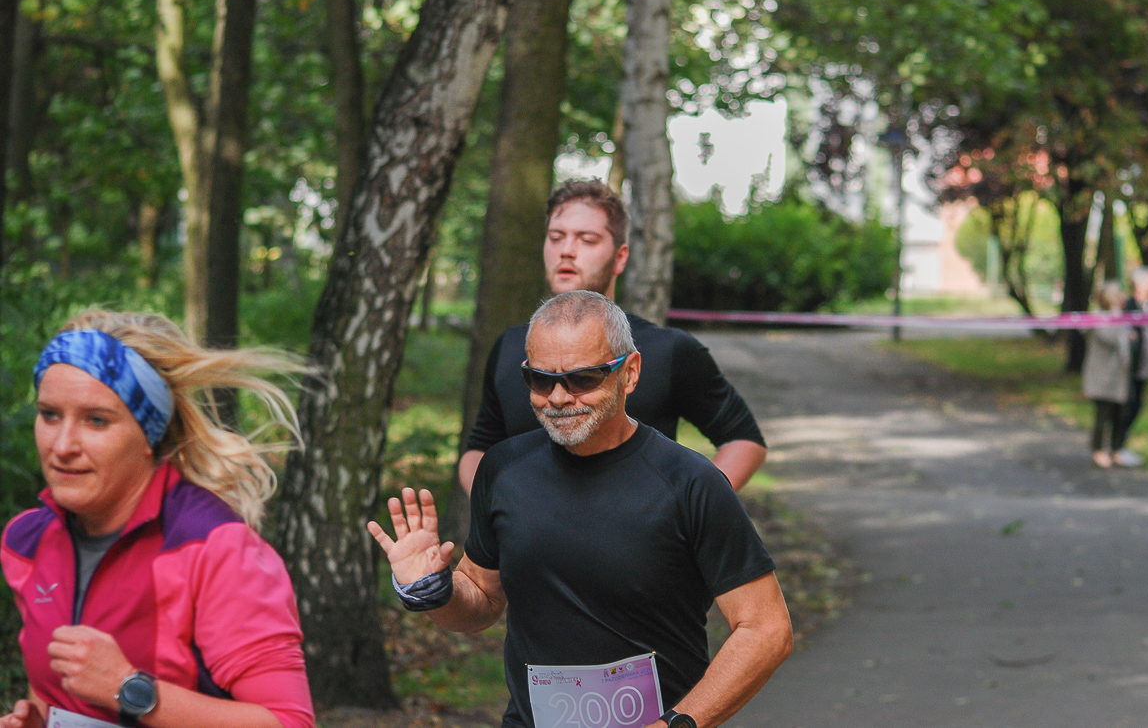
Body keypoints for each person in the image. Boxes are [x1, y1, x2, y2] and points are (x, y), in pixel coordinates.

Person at [370, 291, 793, 728]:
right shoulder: (504, 470)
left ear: (629, 373)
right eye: (540, 379)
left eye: (583, 379)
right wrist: (431, 590)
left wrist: (675, 724)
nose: (557, 397)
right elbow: (481, 602)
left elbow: (766, 630)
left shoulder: (691, 483)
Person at [1, 311, 315, 728]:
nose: (62, 445)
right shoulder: (27, 542)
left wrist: (128, 687)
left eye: (96, 420)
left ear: (150, 433)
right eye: (50, 414)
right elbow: (53, 689)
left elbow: (289, 722)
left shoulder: (214, 547)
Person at [459, 180, 766, 494]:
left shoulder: (668, 349)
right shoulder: (510, 347)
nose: (566, 250)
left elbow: (744, 440)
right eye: (556, 237)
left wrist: (688, 512)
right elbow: (479, 447)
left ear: (620, 258)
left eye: (587, 239)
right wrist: (495, 514)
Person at [1082, 282, 1131, 470]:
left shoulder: (1120, 317)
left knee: (1118, 413)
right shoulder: (1100, 318)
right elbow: (1109, 338)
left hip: (1117, 375)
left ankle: (1115, 448)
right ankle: (1098, 450)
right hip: (1102, 376)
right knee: (1102, 414)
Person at [1115, 266, 1148, 468]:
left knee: (1136, 406)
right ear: (1140, 284)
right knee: (1127, 407)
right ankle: (1116, 447)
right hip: (1128, 367)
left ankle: (1119, 446)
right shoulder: (1128, 306)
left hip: (1142, 367)